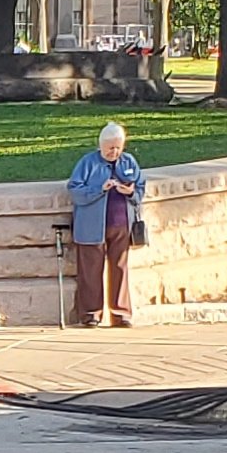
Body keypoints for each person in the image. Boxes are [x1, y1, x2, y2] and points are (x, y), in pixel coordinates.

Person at [67, 120, 144, 327]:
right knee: (91, 271)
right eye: (111, 148)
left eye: (118, 147)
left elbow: (140, 189)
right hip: (92, 227)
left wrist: (131, 192)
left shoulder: (129, 162)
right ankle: (91, 314)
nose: (115, 152)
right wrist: (99, 189)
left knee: (120, 268)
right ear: (101, 145)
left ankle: (121, 313)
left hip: (122, 225)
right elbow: (75, 192)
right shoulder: (88, 163)